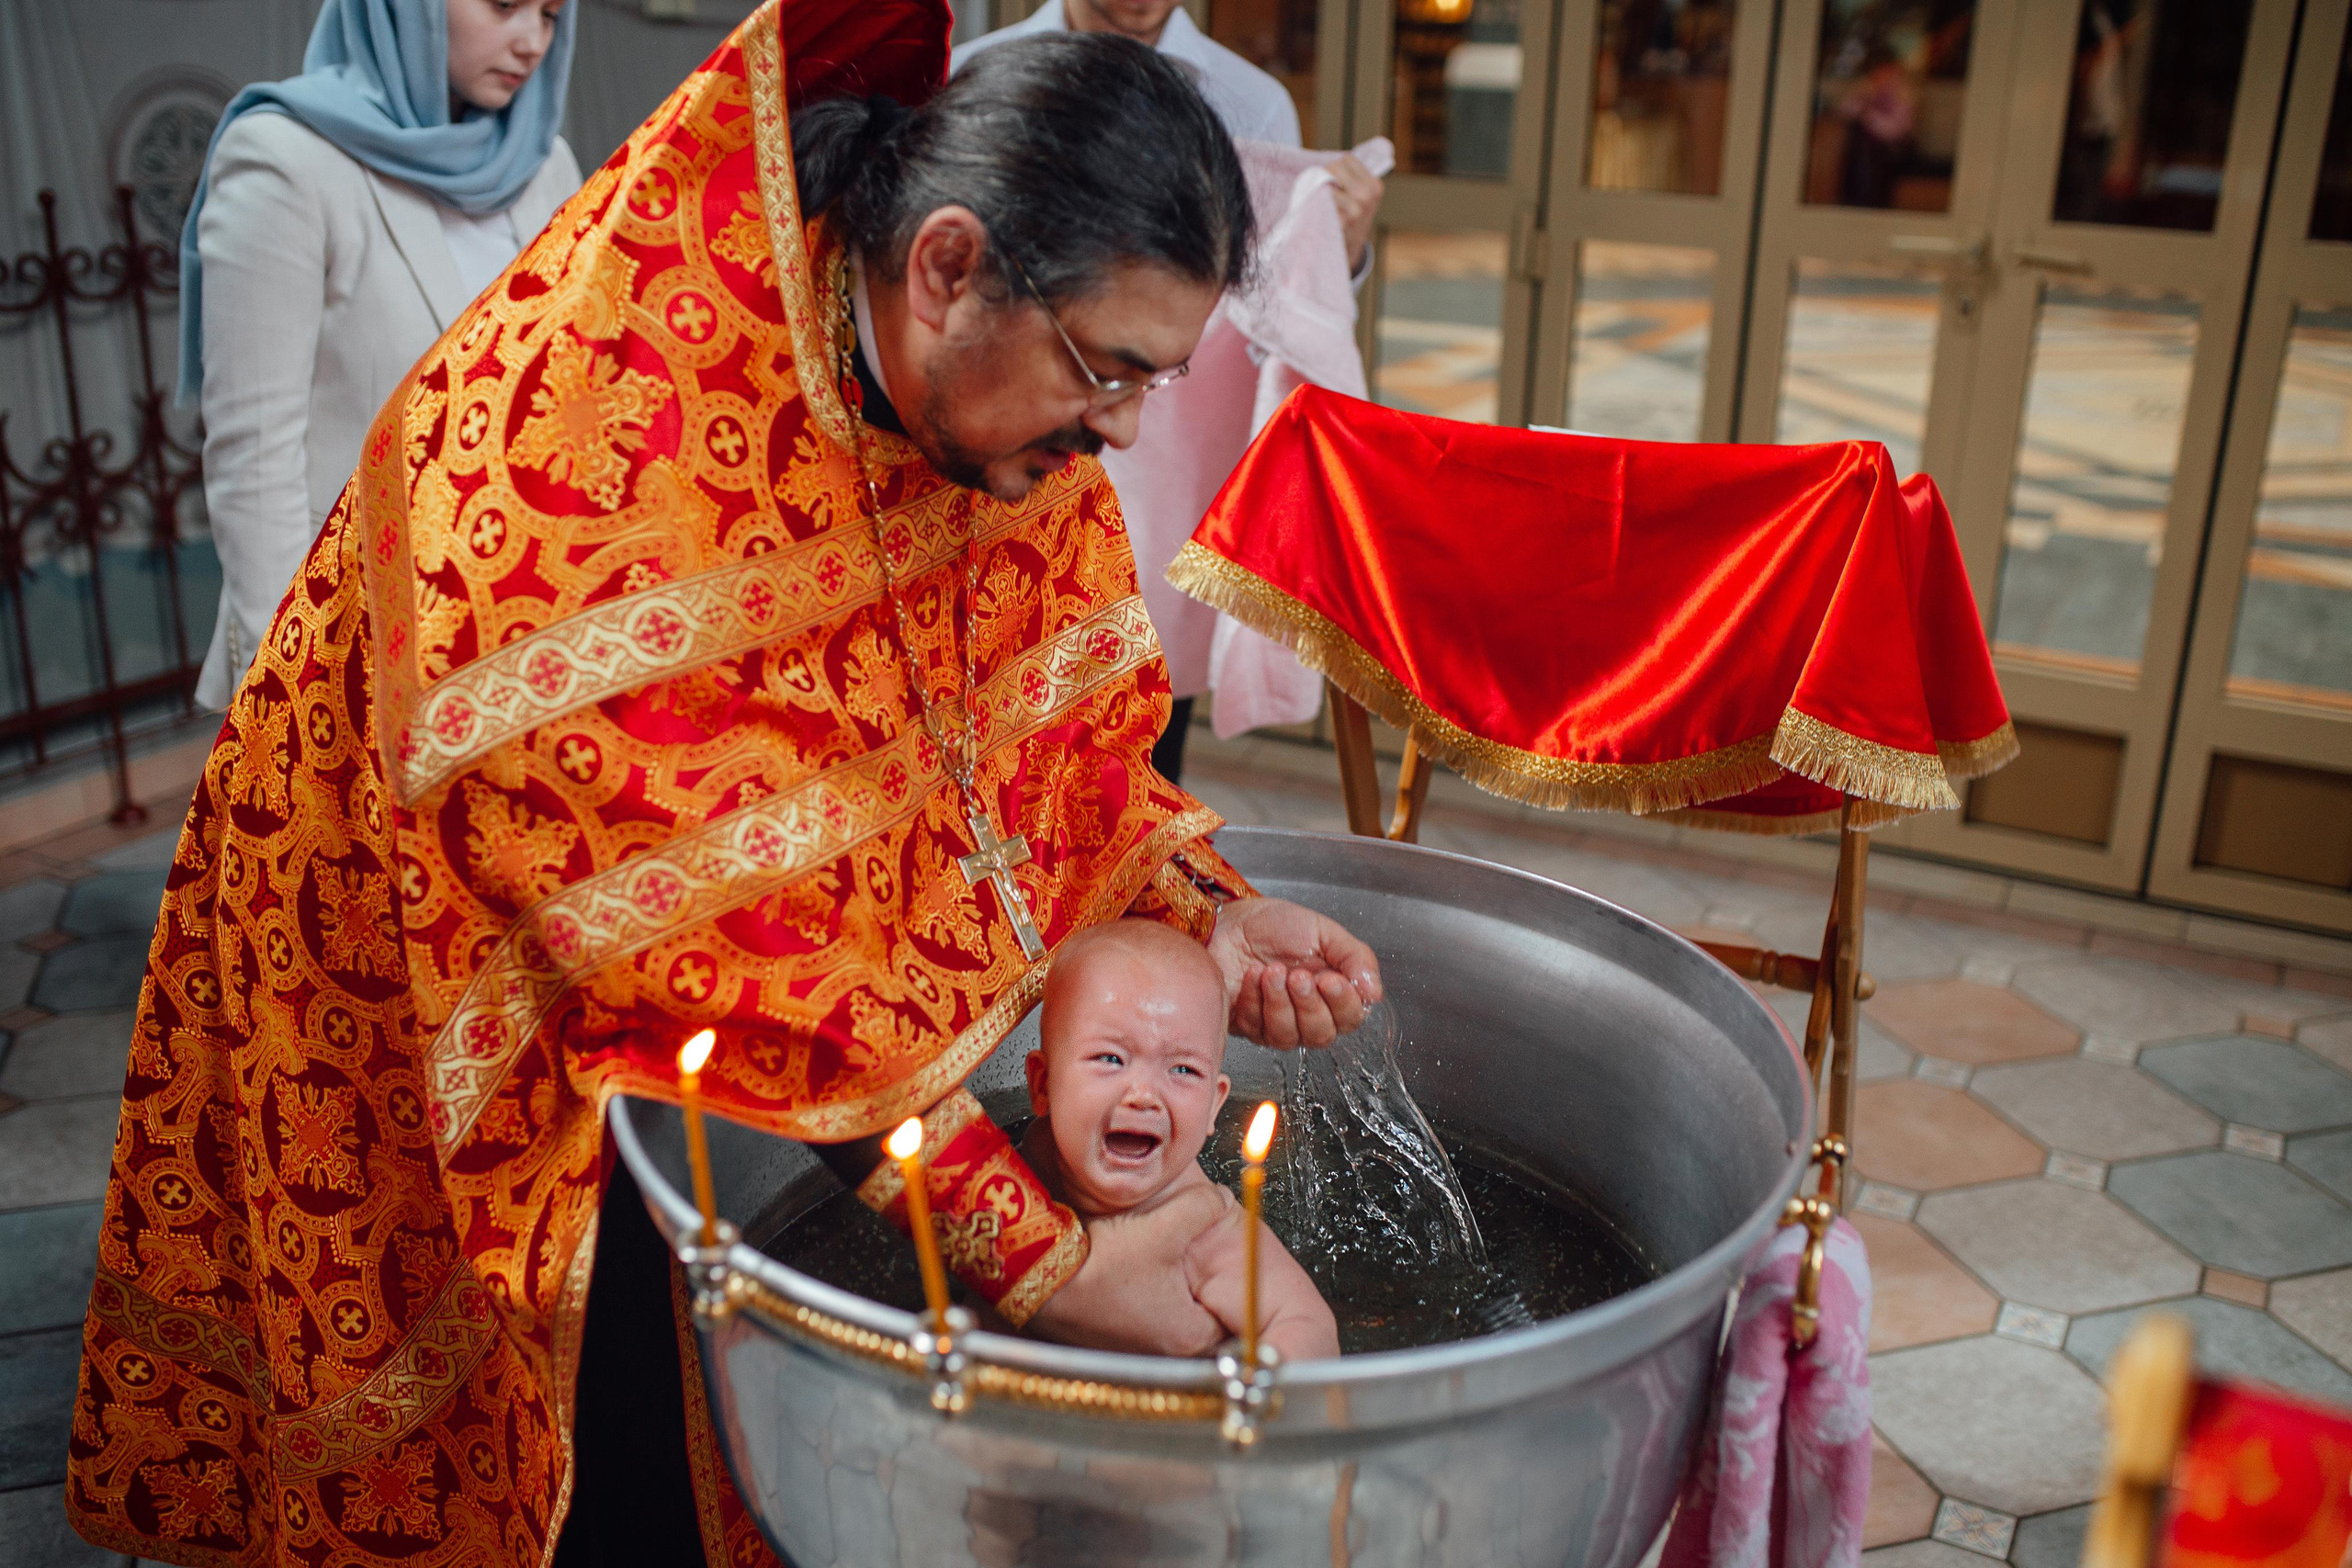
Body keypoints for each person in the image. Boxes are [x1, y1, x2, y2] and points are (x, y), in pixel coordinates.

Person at [69, 7, 1382, 1567]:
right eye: (1108, 370)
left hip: (684, 953)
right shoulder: (603, 456)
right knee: (568, 1398)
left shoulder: (997, 417)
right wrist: (1043, 1259)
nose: (1124, 430)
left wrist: (1196, 908)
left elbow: (1042, 737)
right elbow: (726, 956)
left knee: (688, 1354)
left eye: (1157, 378)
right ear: (947, 266)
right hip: (435, 951)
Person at [956, 0, 1384, 783]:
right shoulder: (977, 75)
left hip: (1164, 468)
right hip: (1014, 449)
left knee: (1143, 745)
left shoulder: (1251, 102)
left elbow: (1266, 298)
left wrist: (1336, 248)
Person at [182, 0, 582, 709]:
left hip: (529, 623)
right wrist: (298, 687)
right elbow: (256, 460)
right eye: (505, 5)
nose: (532, 42)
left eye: (551, 14)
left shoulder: (543, 162)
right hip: (358, 636)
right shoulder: (286, 159)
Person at [1018, 921, 1340, 1360]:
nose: (1144, 1095)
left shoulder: (1208, 1231)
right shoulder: (1030, 1163)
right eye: (1110, 1058)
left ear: (1213, 1106)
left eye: (1183, 1070)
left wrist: (1239, 1389)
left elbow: (1307, 1326)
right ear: (1043, 1084)